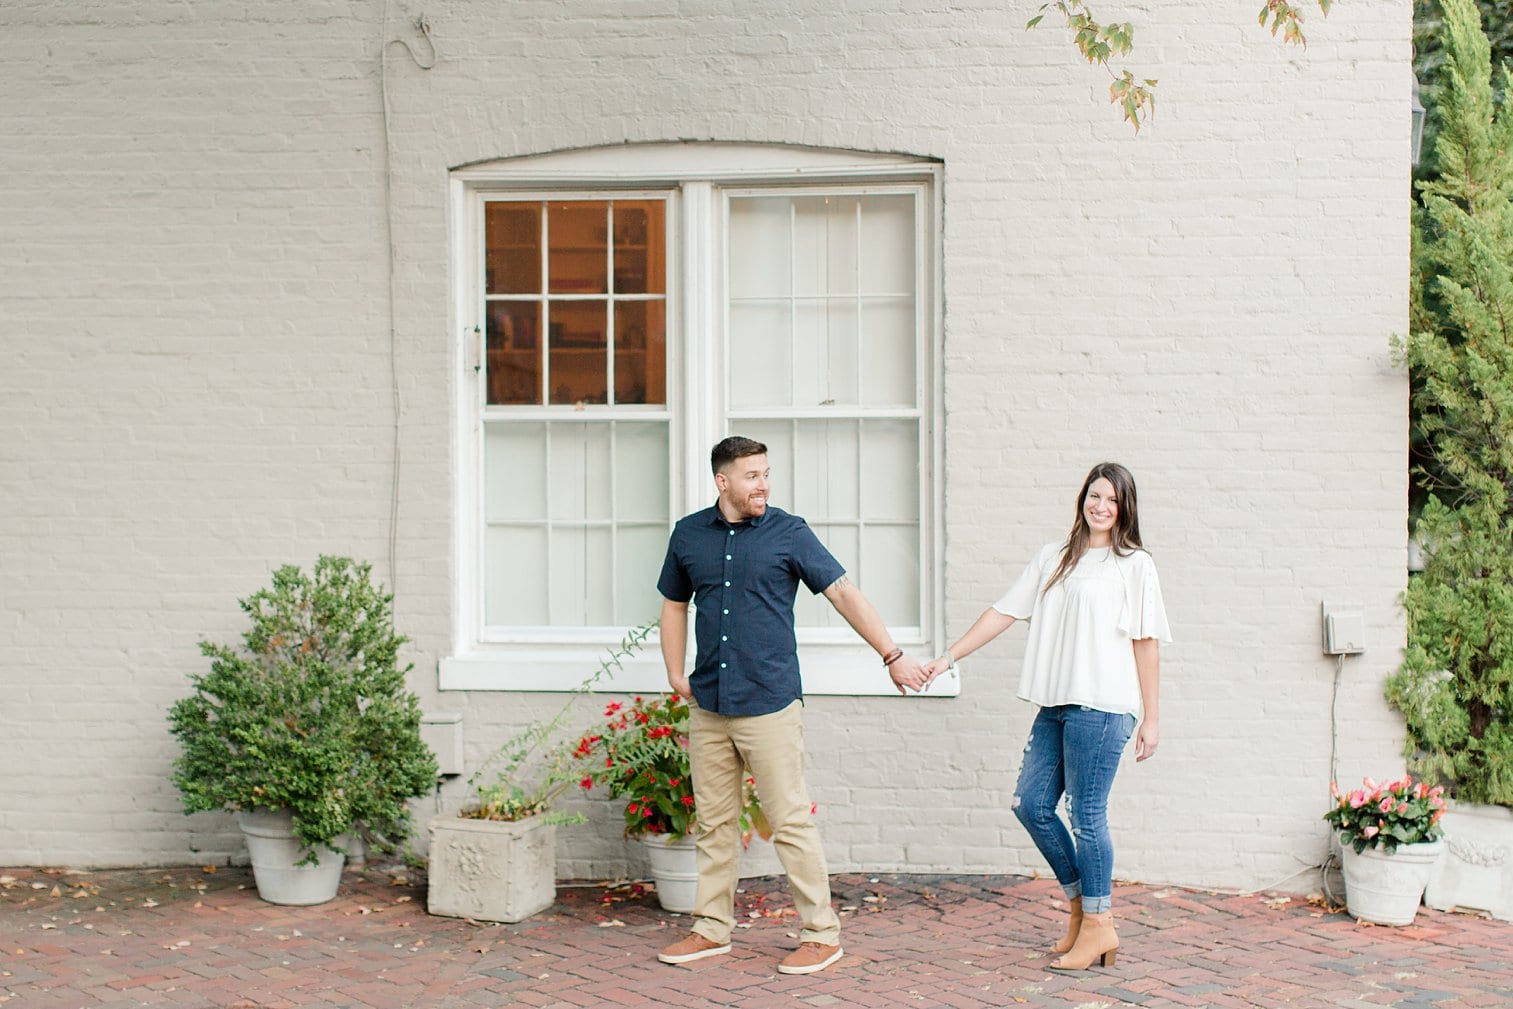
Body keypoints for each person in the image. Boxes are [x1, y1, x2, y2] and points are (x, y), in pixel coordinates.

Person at [655, 435, 929, 975]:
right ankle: (711, 929)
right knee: (713, 824)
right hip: (710, 703)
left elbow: (844, 593)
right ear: (723, 482)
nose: (764, 484)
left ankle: (822, 934)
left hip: (770, 704)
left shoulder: (788, 532)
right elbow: (673, 604)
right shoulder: (689, 535)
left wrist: (891, 654)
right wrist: (673, 672)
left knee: (790, 821)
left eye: (766, 473)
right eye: (752, 475)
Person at [923, 462, 1169, 971]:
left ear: (1125, 509)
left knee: (1086, 814)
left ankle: (1099, 925)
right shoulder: (1054, 557)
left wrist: (1151, 717)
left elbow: (1147, 643)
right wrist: (949, 657)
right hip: (1056, 704)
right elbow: (1004, 611)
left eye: (1112, 500)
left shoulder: (1134, 564)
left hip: (1104, 708)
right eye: (1095, 496)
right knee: (1030, 805)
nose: (1101, 506)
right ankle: (1083, 911)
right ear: (1083, 498)